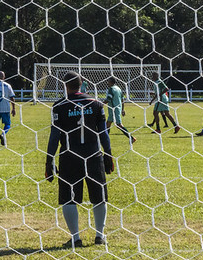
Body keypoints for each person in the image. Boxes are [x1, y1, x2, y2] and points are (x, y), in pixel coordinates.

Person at [45, 71, 114, 248]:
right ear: (82, 83)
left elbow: (54, 137)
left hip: (69, 156)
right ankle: (100, 236)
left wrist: (49, 161)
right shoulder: (96, 104)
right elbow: (103, 133)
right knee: (99, 197)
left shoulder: (59, 106)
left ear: (65, 85)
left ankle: (76, 238)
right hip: (93, 155)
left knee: (68, 198)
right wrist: (108, 154)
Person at [105, 77, 135, 143]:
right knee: (108, 124)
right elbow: (122, 99)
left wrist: (100, 104)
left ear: (111, 82)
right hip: (117, 108)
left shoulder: (111, 89)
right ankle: (105, 140)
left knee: (119, 125)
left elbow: (108, 99)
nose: (107, 83)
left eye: (108, 81)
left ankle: (131, 138)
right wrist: (123, 109)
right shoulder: (118, 89)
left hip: (114, 109)